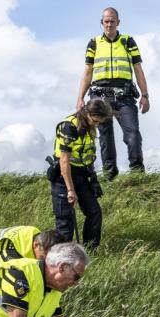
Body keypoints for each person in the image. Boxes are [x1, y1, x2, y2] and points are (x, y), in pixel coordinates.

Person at [75, 7, 151, 180]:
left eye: (112, 21)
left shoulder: (128, 41)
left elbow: (138, 69)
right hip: (100, 97)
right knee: (105, 137)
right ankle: (110, 176)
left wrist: (145, 95)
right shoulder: (93, 43)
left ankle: (137, 174)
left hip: (125, 96)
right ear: (102, 23)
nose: (109, 24)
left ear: (118, 22)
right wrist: (80, 97)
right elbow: (87, 72)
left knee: (132, 134)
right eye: (106, 21)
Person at [49, 99, 113, 249]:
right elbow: (64, 161)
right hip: (63, 176)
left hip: (83, 175)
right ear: (87, 113)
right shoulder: (68, 126)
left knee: (94, 212)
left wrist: (93, 178)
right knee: (66, 222)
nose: (96, 124)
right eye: (95, 120)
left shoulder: (90, 126)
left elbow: (87, 154)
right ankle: (62, 259)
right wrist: (70, 190)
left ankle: (90, 252)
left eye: (99, 122)